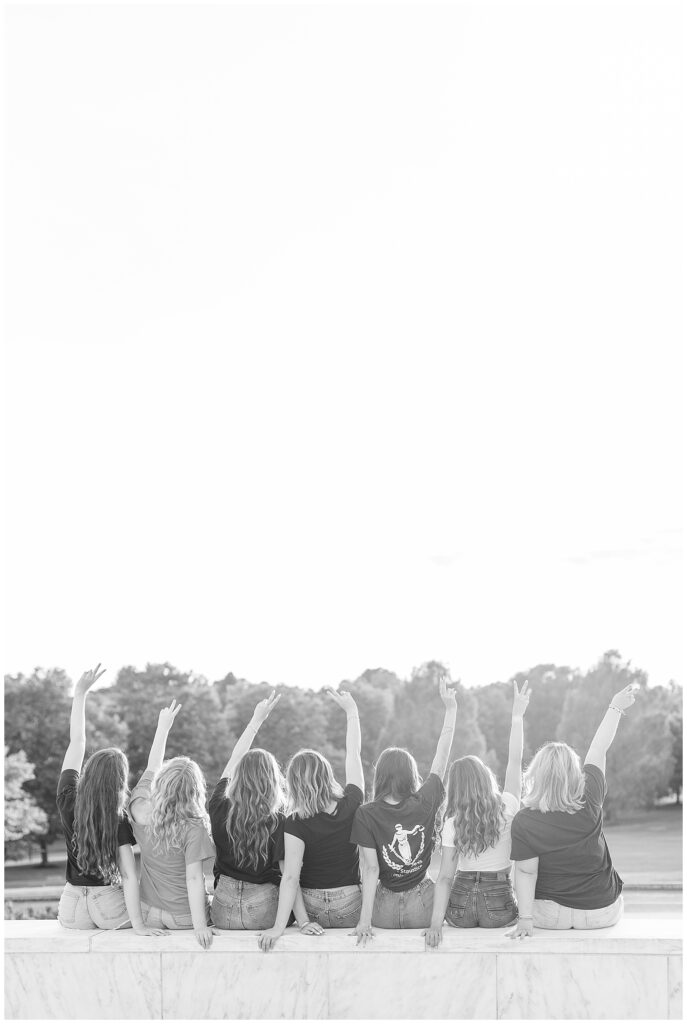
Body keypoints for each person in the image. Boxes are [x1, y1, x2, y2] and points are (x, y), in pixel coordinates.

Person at [507, 683, 638, 938]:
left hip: (549, 916)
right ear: (574, 771)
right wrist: (615, 707)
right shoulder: (590, 796)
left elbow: (525, 872)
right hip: (601, 912)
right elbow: (599, 748)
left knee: (520, 870)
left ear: (537, 773)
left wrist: (525, 920)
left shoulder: (525, 819)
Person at [56, 664, 163, 935]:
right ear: (118, 781)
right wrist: (138, 926)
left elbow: (77, 742)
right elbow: (128, 876)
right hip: (107, 907)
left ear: (89, 771)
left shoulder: (67, 797)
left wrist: (79, 693)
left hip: (70, 908)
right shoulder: (118, 819)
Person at [350, 670, 457, 940]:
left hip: (382, 912)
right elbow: (441, 757)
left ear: (380, 776)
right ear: (410, 775)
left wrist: (365, 923)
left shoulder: (366, 813)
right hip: (423, 907)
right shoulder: (425, 801)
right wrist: (451, 710)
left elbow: (371, 870)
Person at [424, 680, 530, 946]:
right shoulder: (507, 805)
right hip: (499, 906)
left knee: (455, 882)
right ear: (485, 777)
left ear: (455, 788)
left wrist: (436, 924)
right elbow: (515, 761)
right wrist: (517, 717)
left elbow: (445, 877)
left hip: (460, 908)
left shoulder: (452, 822)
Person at [258, 689, 364, 950]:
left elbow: (290, 877)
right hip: (350, 906)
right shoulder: (351, 802)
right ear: (327, 774)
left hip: (312, 907)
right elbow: (354, 755)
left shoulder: (294, 821)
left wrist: (292, 925)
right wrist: (352, 714)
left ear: (292, 783)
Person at [209, 690, 322, 935]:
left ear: (238, 776)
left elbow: (234, 757)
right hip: (263, 911)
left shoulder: (218, 804)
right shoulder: (281, 818)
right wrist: (303, 922)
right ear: (273, 779)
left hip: (222, 911)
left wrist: (256, 720)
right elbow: (288, 875)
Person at [128, 699, 218, 948]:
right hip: (184, 916)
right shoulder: (194, 826)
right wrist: (200, 926)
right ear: (194, 791)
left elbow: (152, 765)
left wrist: (163, 728)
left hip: (149, 913)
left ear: (161, 782)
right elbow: (193, 879)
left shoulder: (138, 807)